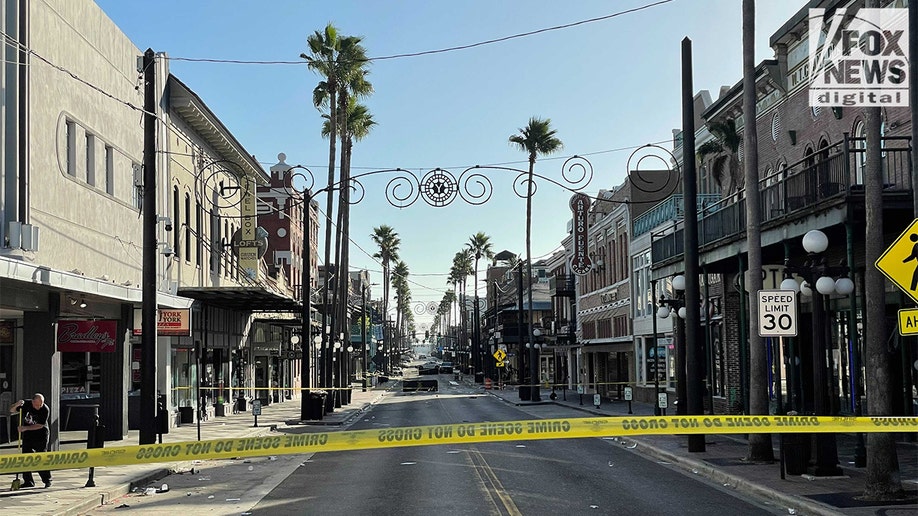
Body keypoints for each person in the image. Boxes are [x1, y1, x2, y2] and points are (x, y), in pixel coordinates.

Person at [9, 393, 52, 488]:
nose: (38, 407)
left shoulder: (45, 409)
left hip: (41, 435)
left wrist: (25, 428)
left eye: (40, 404)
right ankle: (28, 481)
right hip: (29, 435)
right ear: (32, 401)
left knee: (40, 456)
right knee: (26, 457)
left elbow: (40, 425)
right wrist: (17, 404)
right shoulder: (26, 404)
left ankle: (47, 480)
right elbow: (11, 410)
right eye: (36, 405)